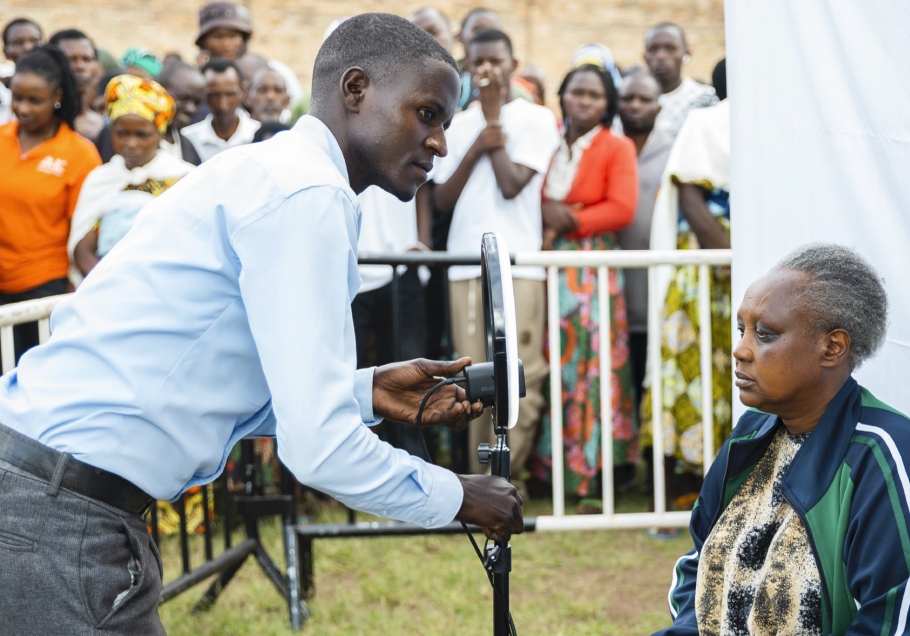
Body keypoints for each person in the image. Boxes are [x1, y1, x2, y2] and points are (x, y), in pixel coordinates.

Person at [0, 13, 522, 634]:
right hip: (60, 515)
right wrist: (459, 496)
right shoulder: (306, 194)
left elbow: (201, 376)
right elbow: (321, 450)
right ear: (356, 91)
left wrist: (364, 392)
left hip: (54, 500)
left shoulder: (275, 173)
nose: (439, 142)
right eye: (428, 114)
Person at [655, 243, 910, 636]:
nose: (740, 350)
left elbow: (905, 624)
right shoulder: (751, 434)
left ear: (832, 347)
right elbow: (700, 564)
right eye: (742, 329)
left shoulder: (894, 463)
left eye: (765, 334)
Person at [431, 28, 560, 493]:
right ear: (466, 65)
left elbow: (511, 184)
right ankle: (474, 481)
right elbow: (442, 197)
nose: (486, 70)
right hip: (465, 263)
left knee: (519, 370)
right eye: (478, 62)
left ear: (512, 64)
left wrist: (494, 128)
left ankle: (508, 476)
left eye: (495, 61)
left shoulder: (537, 119)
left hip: (517, 264)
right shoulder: (458, 122)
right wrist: (480, 136)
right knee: (473, 375)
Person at [533, 61, 638, 512]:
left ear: (607, 104)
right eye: (577, 92)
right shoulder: (547, 142)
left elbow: (622, 207)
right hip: (549, 262)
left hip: (590, 263)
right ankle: (548, 468)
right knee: (552, 359)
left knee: (592, 362)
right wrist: (546, 210)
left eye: (595, 95)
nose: (584, 101)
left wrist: (569, 218)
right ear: (563, 96)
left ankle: (593, 472)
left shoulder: (617, 146)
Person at [641, 59, 731, 518]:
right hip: (708, 265)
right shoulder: (705, 122)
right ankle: (688, 490)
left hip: (756, 264)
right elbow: (691, 199)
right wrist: (731, 259)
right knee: (692, 372)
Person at [0, 46, 101, 363]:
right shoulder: (1, 138)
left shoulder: (79, 154)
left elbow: (84, 231)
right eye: (17, 97)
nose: (22, 108)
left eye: (35, 100)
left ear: (57, 96)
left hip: (45, 293)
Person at [69, 75, 194, 285]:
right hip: (106, 287)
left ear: (160, 134)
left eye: (142, 135)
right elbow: (81, 248)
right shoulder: (101, 179)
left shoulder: (184, 178)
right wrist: (112, 283)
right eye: (122, 134)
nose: (131, 143)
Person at [352, 185, 432, 457]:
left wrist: (424, 244)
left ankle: (413, 463)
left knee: (410, 374)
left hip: (402, 263)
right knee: (348, 376)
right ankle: (354, 467)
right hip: (349, 267)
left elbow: (424, 186)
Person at [615, 68, 669, 400]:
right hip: (614, 285)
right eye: (628, 98)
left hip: (655, 285)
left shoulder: (674, 149)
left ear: (658, 107)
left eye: (644, 99)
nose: (635, 105)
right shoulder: (607, 145)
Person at [194, 1, 303, 104]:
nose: (226, 43)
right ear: (203, 41)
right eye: (217, 36)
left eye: (232, 36)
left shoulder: (276, 71)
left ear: (243, 39)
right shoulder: (194, 77)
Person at [643, 23, 717, 140]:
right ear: (645, 56)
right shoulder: (630, 100)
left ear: (686, 53)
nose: (661, 56)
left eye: (670, 48)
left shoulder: (704, 98)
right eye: (653, 49)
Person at [181, 58, 260, 160]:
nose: (223, 105)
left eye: (230, 94)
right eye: (214, 95)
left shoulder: (258, 135)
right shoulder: (188, 139)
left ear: (243, 92)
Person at [48, 29, 105, 139]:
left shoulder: (104, 126)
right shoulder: (42, 125)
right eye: (70, 59)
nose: (80, 66)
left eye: (87, 59)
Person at [157, 60, 205, 164]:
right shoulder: (128, 139)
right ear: (159, 90)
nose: (191, 109)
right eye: (183, 98)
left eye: (197, 102)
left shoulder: (189, 149)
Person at [1, 19, 42, 124]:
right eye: (17, 42)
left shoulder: (60, 88)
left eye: (34, 40)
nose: (27, 47)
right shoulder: (2, 92)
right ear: (6, 52)